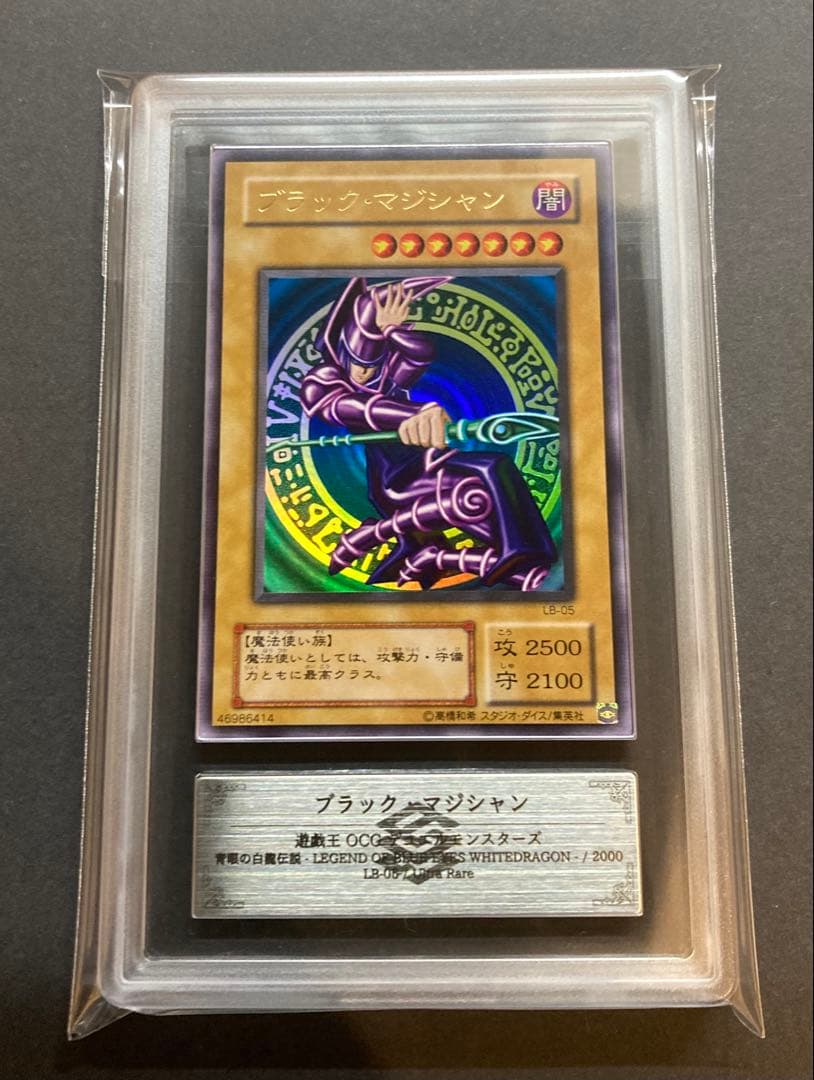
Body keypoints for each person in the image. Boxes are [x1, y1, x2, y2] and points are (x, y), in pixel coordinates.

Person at [301, 277, 557, 590]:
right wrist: (411, 414)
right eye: (357, 363)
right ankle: (512, 554)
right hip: (396, 481)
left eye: (374, 364)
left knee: (493, 468)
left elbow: (420, 354)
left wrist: (391, 330)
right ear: (341, 352)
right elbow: (349, 407)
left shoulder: (386, 377)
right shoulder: (325, 383)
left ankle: (514, 552)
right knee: (481, 482)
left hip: (427, 464)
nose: (365, 373)